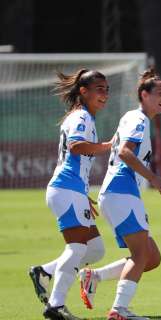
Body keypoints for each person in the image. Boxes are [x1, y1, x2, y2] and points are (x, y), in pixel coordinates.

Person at [79, 69, 161, 320]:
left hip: (123, 193)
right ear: (144, 94)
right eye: (160, 93)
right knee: (141, 255)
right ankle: (119, 310)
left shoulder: (138, 119)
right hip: (121, 191)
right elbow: (124, 152)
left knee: (151, 257)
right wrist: (154, 178)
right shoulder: (138, 119)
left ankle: (94, 277)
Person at [29, 69, 112, 320]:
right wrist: (110, 145)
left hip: (73, 190)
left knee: (95, 249)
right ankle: (56, 305)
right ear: (83, 92)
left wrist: (83, 194)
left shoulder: (84, 116)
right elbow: (76, 146)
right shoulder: (82, 117)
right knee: (76, 248)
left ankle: (44, 272)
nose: (105, 94)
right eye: (99, 89)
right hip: (66, 189)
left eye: (106, 89)